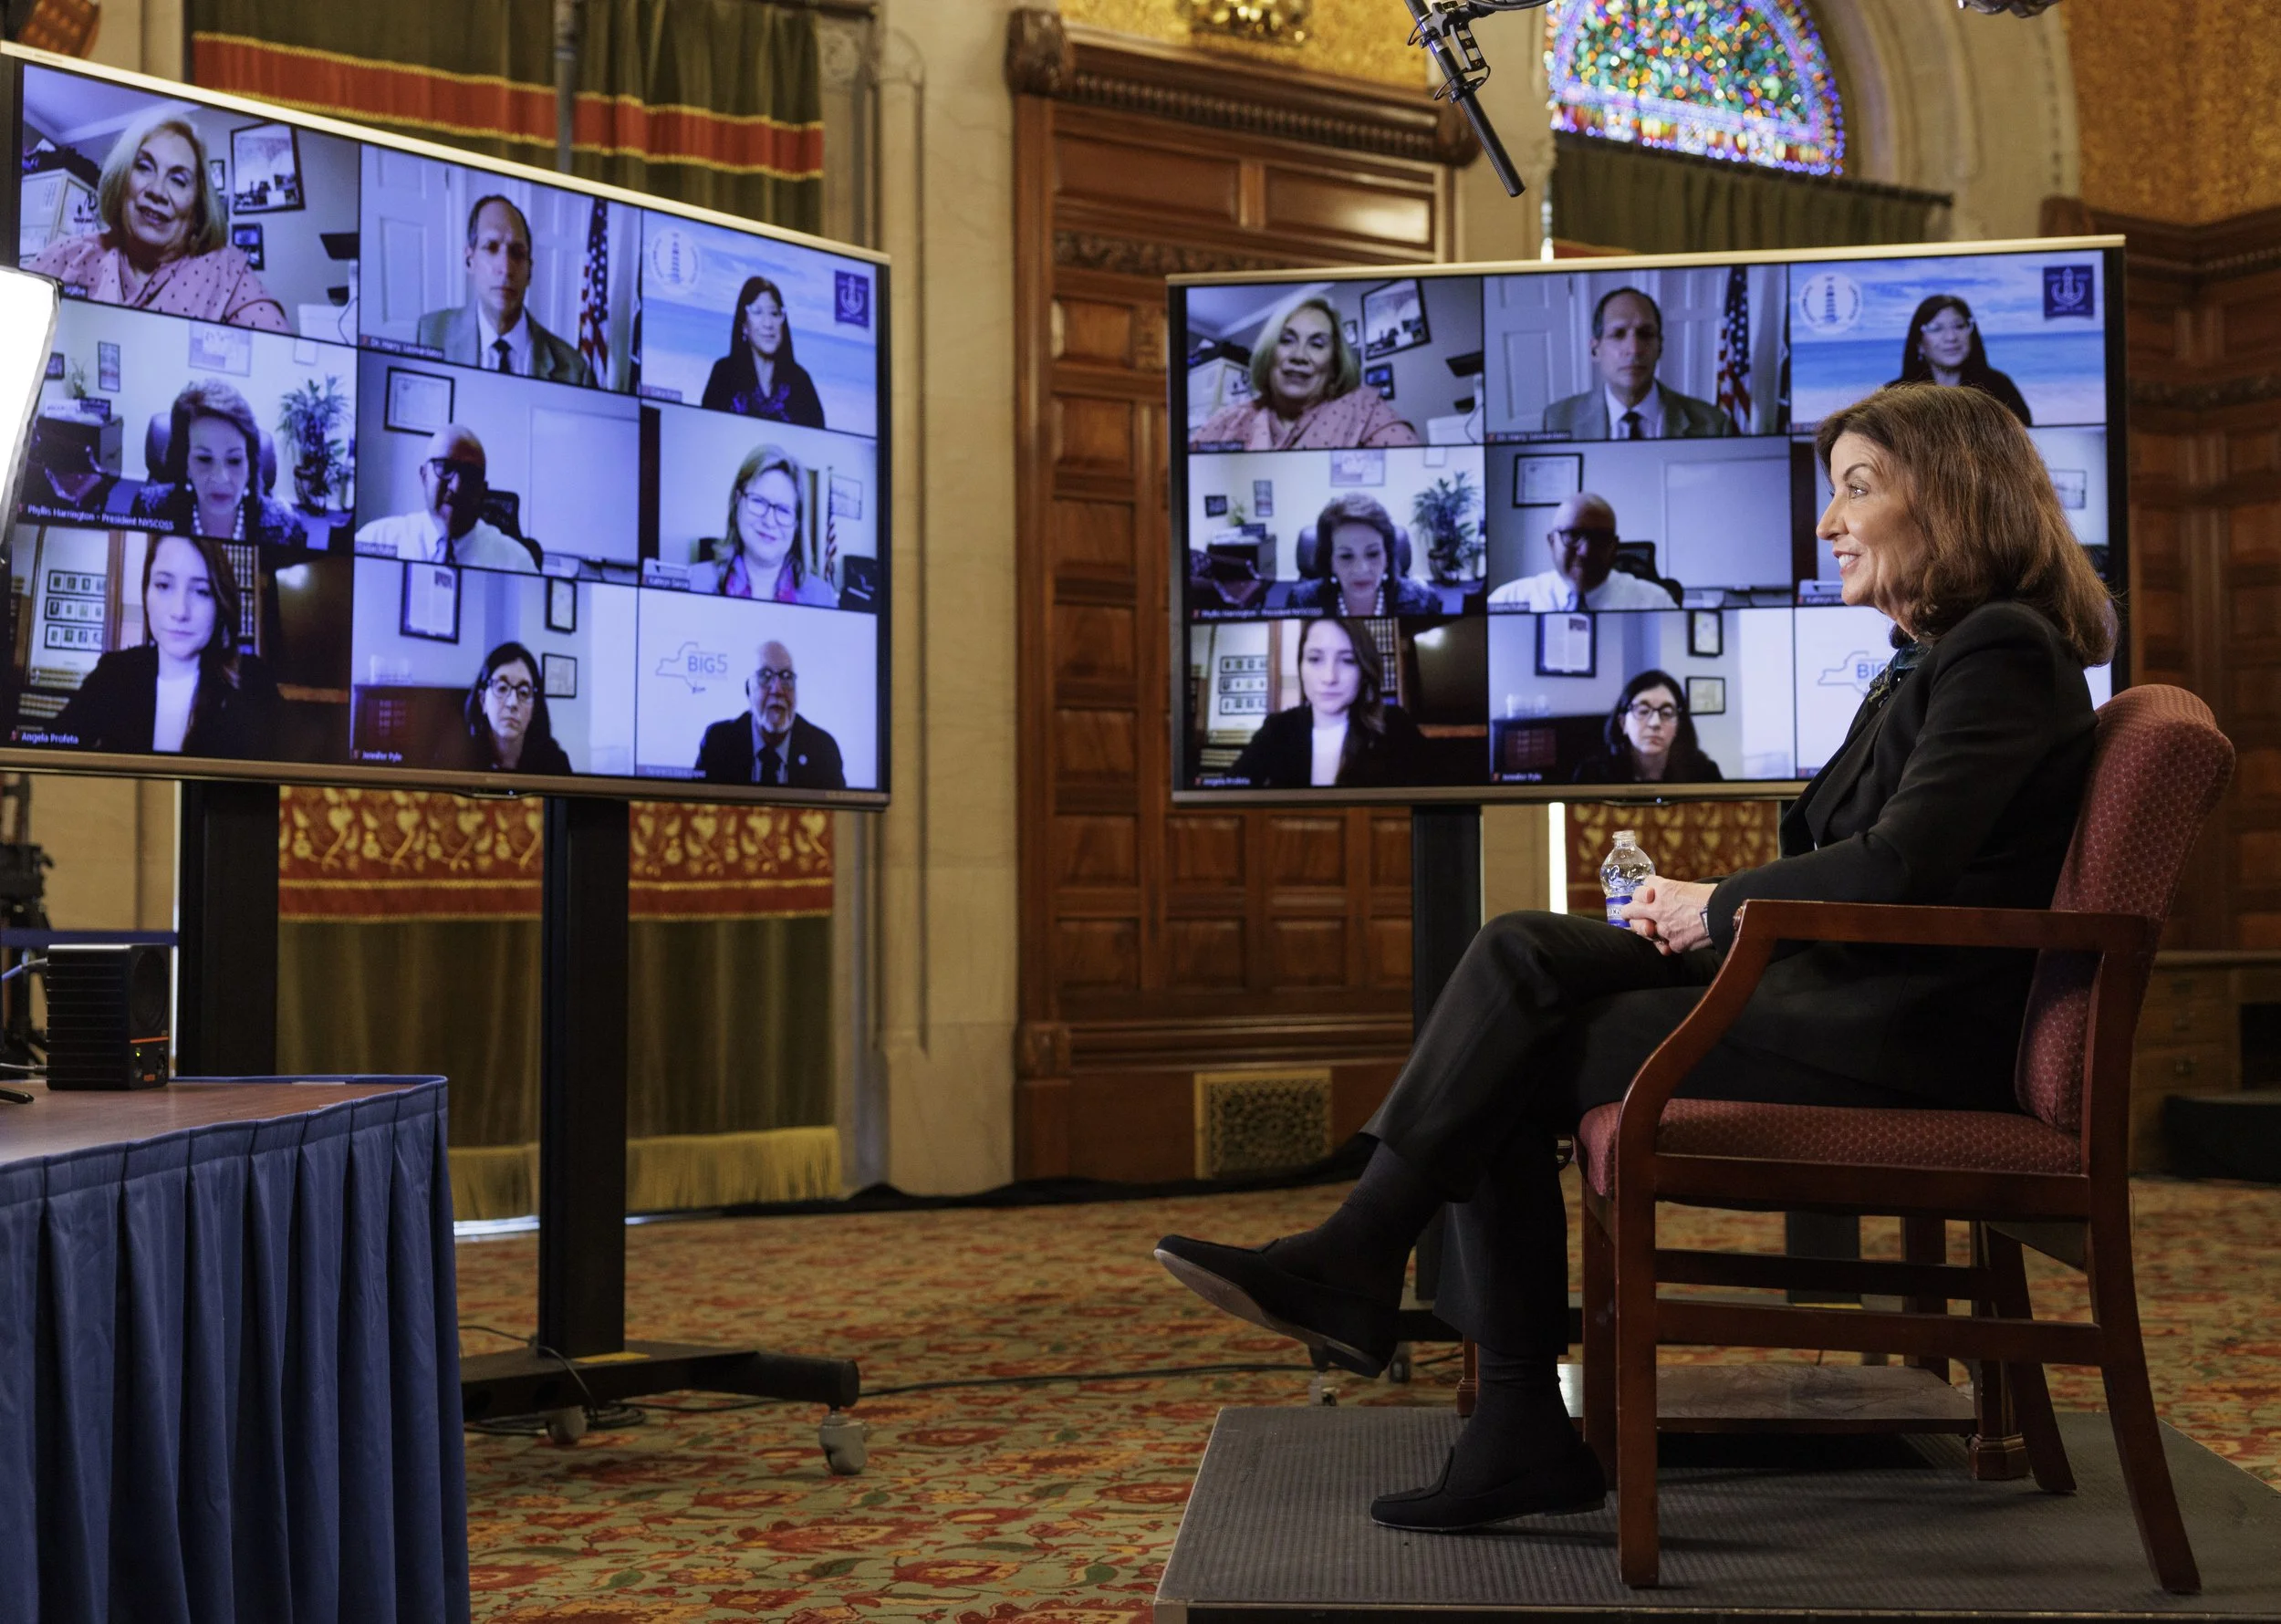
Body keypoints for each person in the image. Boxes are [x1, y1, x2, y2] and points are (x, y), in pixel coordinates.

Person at [1155, 381, 2115, 1534]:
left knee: (1527, 1046)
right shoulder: (1933, 655)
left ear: (1954, 499)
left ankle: (1453, 1357)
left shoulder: (2002, 649)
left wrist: (1716, 906)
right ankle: (1382, 1282)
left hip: (1905, 1025)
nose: (1827, 523)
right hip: (1850, 990)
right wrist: (1702, 909)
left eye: (1857, 488)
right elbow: (1868, 856)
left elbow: (1901, 864)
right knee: (1519, 953)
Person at [24, 107, 286, 331]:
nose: (157, 191)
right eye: (144, 167)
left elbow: (280, 365)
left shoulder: (227, 271)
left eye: (178, 180)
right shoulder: (68, 255)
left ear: (197, 207)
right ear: (122, 179)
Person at [52, 533, 284, 757]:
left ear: (220, 604)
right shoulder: (114, 673)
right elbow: (56, 745)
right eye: (164, 586)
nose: (180, 611)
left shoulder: (253, 682)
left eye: (201, 591)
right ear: (146, 592)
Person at [1190, 291, 1421, 452]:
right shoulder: (1227, 421)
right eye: (1287, 340)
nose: (1299, 356)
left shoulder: (1365, 409)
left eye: (1317, 344)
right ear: (1269, 353)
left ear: (1334, 364)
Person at [1224, 617, 1423, 789]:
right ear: (1301, 665)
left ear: (1363, 670)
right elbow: (1231, 791)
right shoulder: (1278, 729)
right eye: (1315, 659)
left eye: (1347, 660)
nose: (1329, 677)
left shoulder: (1395, 725)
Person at [414, 195, 594, 385]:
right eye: (490, 247)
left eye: (517, 253)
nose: (506, 268)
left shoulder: (574, 369)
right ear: (469, 261)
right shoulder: (430, 335)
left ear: (530, 271)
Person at [1539, 287, 1736, 440]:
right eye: (1618, 334)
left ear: (1660, 348)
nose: (1634, 349)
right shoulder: (1558, 421)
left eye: (1646, 334)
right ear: (1595, 350)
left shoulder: (1713, 424)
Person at [129, 380, 306, 546]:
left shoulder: (285, 530)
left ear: (249, 465)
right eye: (204, 459)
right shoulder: (149, 509)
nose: (221, 478)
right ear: (186, 463)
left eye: (234, 461)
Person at [353, 425, 536, 572]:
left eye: (470, 475)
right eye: (445, 467)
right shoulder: (377, 540)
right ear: (424, 475)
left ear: (483, 489)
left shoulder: (517, 562)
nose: (456, 486)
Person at [1486, 493, 1680, 610]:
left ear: (1614, 546)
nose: (1586, 551)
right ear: (1551, 541)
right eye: (1572, 535)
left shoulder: (1656, 601)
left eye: (1601, 538)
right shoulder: (1507, 599)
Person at [694, 640, 847, 788]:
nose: (777, 690)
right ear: (748, 690)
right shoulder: (718, 741)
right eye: (765, 676)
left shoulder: (823, 749)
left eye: (787, 677)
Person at [698, 443, 838, 605]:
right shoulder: (695, 581)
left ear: (797, 523)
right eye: (758, 501)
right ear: (737, 500)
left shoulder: (823, 597)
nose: (769, 522)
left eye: (784, 511)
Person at [1277, 494, 1442, 616]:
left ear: (1387, 557)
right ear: (1330, 561)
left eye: (1373, 554)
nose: (1361, 569)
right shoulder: (1301, 601)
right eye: (1346, 556)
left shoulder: (1423, 603)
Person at [1890, 294, 2033, 426]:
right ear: (1919, 344)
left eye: (1959, 326)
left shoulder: (1999, 387)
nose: (1951, 337)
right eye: (1936, 328)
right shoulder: (1895, 395)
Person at [701, 276, 825, 426]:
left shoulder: (801, 382)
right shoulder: (724, 373)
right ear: (744, 325)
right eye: (758, 312)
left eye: (774, 313)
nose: (768, 324)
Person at [437, 641, 572, 776]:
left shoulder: (555, 763)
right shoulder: (456, 759)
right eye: (502, 688)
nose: (512, 703)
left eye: (524, 692)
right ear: (482, 700)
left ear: (534, 708)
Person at [1570, 669, 1724, 785]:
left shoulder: (1704, 773)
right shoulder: (1592, 774)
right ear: (1623, 723)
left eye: (1666, 713)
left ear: (1678, 726)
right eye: (1643, 711)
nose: (1655, 723)